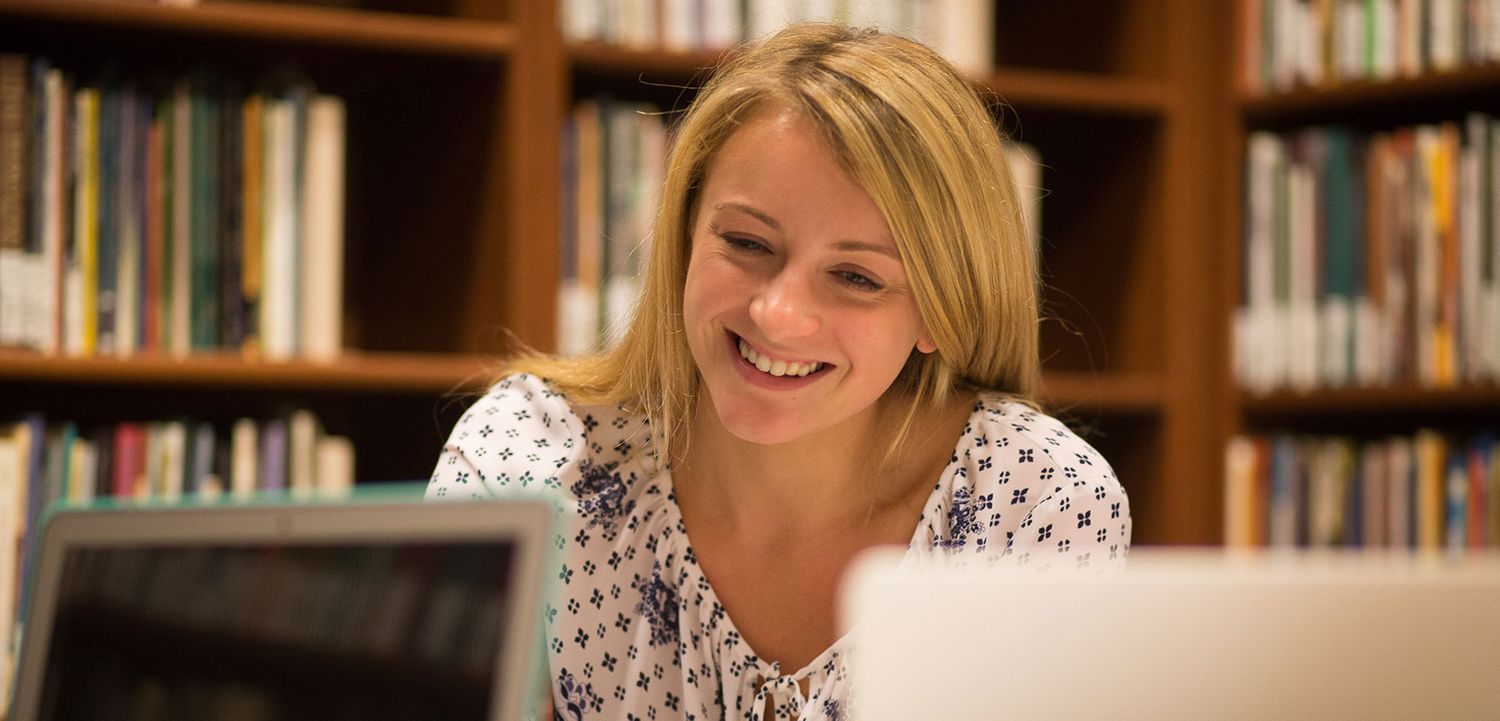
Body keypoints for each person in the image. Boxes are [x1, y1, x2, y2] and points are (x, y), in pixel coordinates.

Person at [426, 22, 1131, 721]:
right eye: (746, 241)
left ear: (939, 314)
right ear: (685, 235)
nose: (777, 312)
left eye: (855, 276)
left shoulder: (1039, 502)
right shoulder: (527, 456)